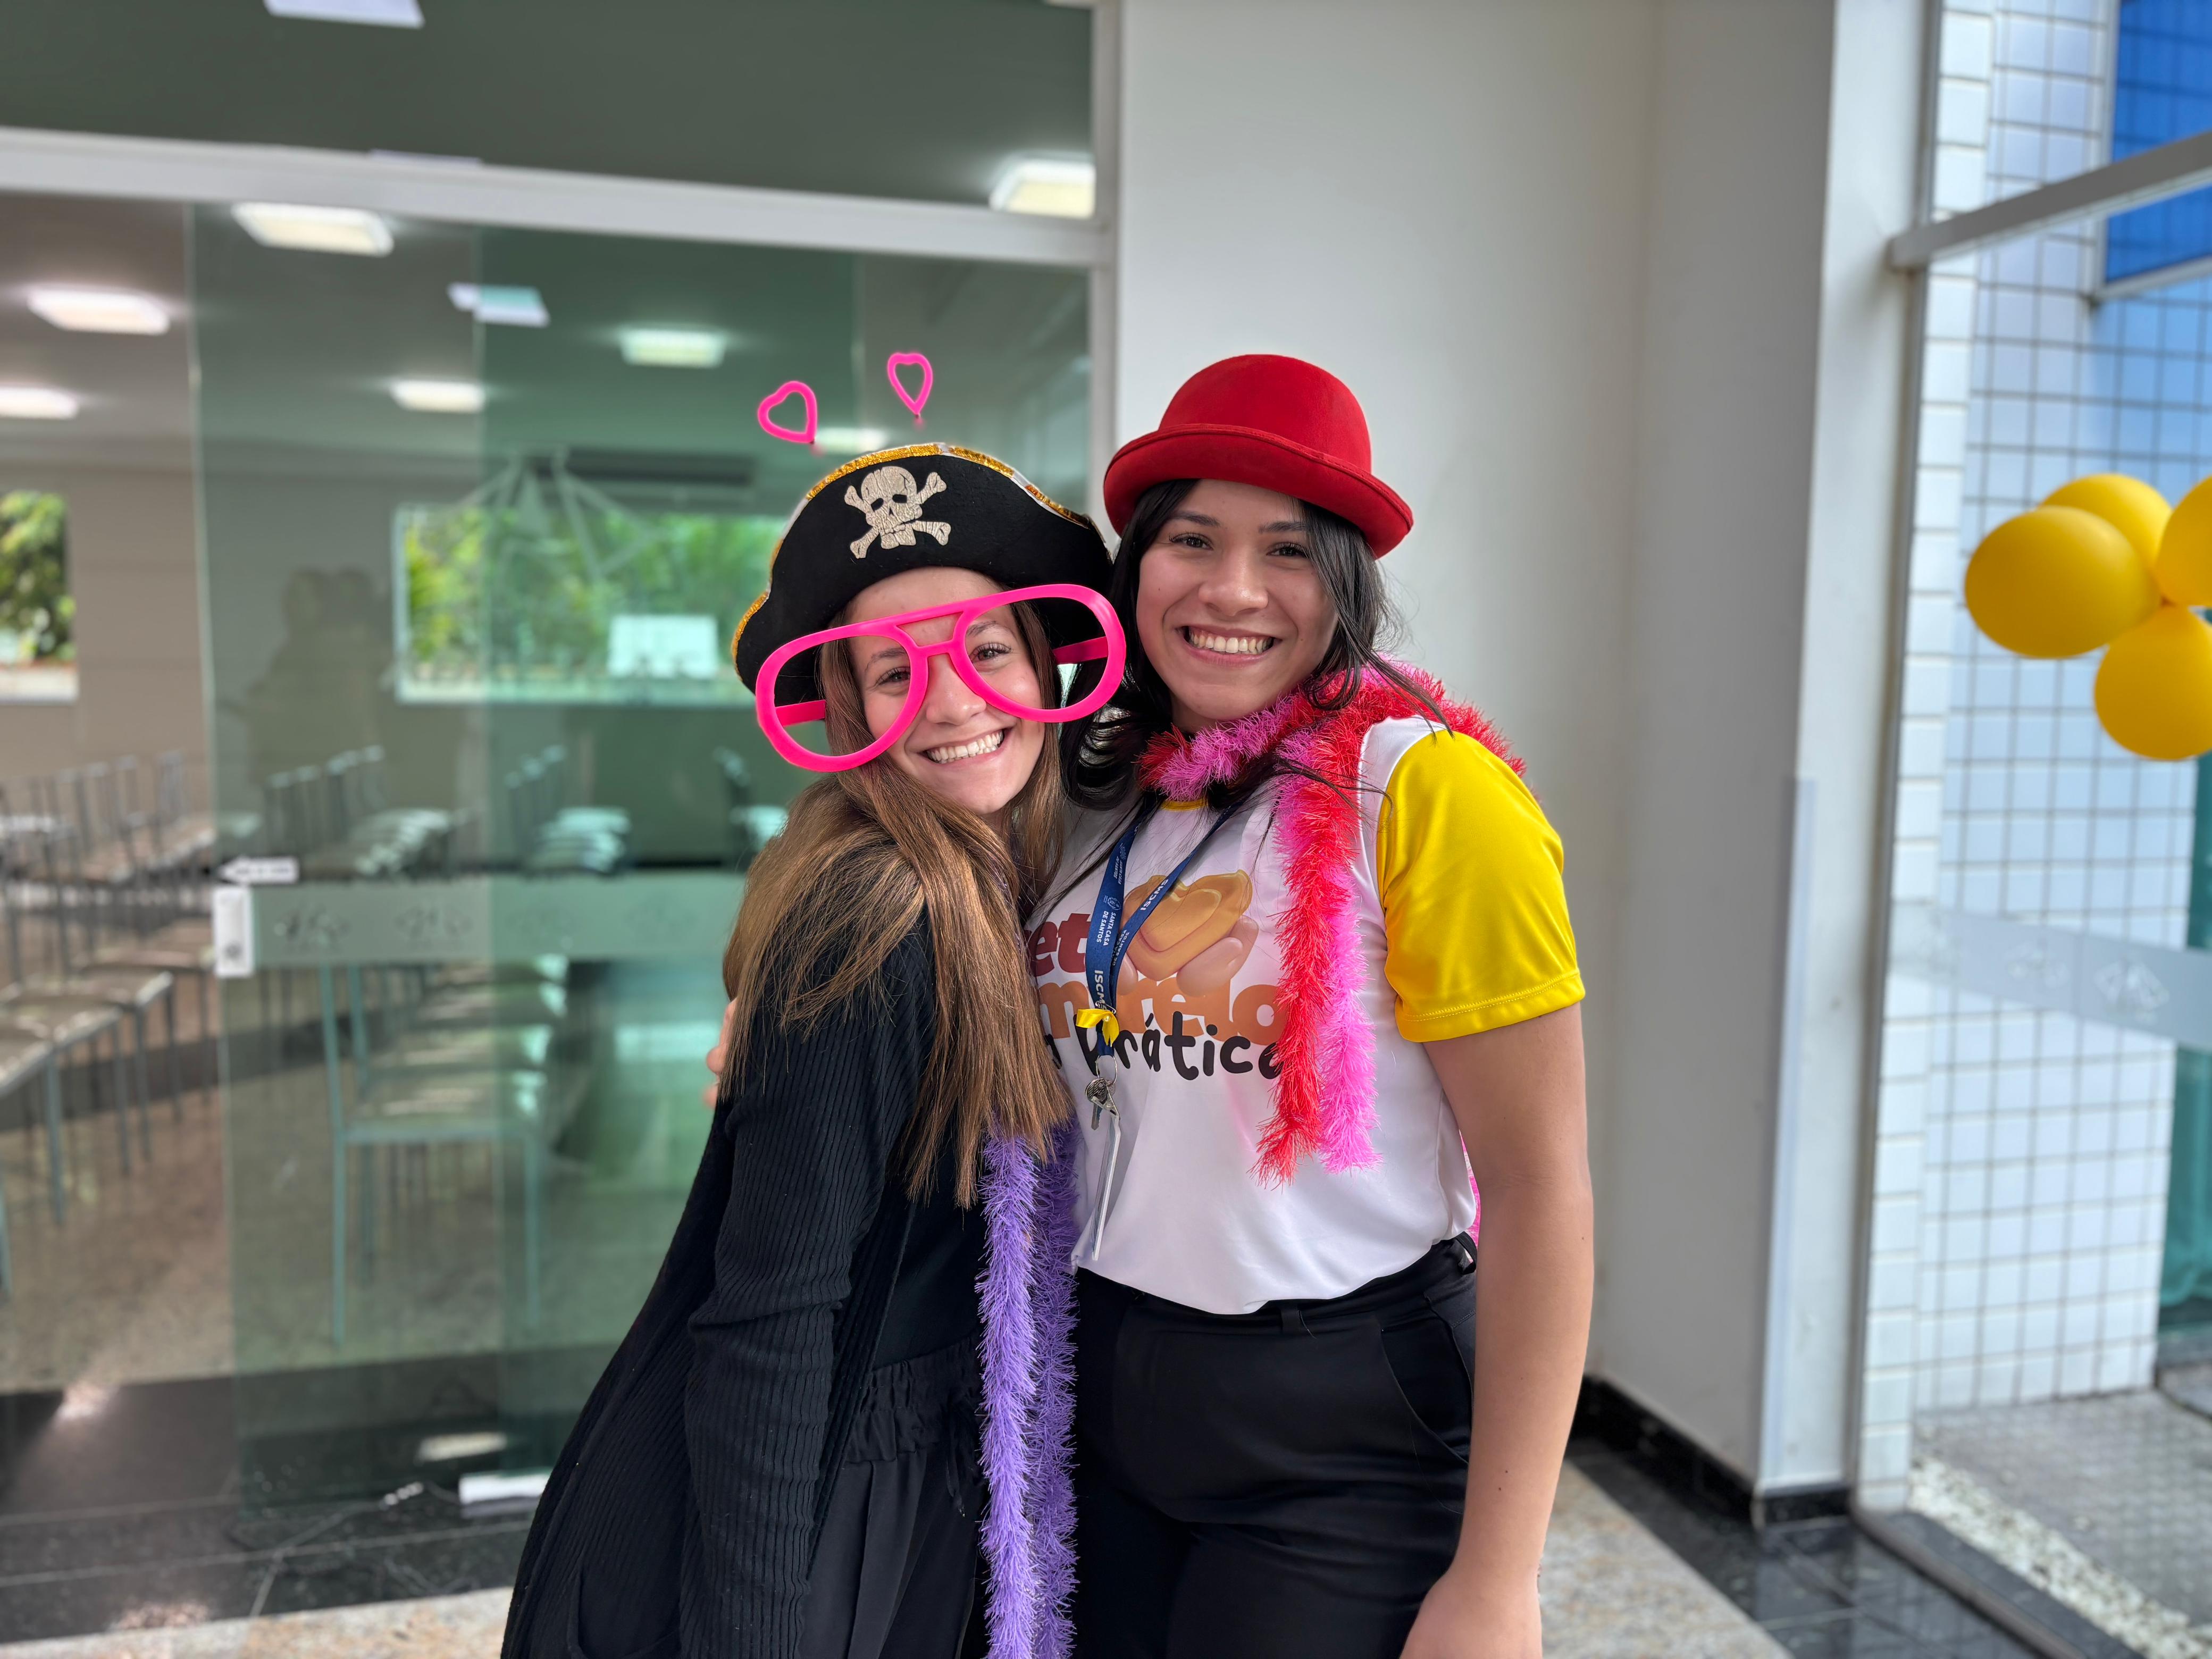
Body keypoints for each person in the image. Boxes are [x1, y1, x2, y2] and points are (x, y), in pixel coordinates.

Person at [504, 446, 1120, 1659]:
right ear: (848, 710)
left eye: (987, 649)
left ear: (1047, 663)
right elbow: (772, 1320)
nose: (951, 701)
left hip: (941, 1455)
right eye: (894, 670)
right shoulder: (874, 919)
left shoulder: (1030, 867)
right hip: (837, 1489)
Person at [1028, 356, 1593, 1659]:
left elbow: (1539, 1186)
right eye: (1190, 540)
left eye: (1286, 550)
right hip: (1102, 1386)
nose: (1231, 590)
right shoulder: (1099, 785)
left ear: (1343, 584)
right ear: (1136, 570)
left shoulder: (1426, 795)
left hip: (1340, 1431)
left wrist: (1499, 1581)